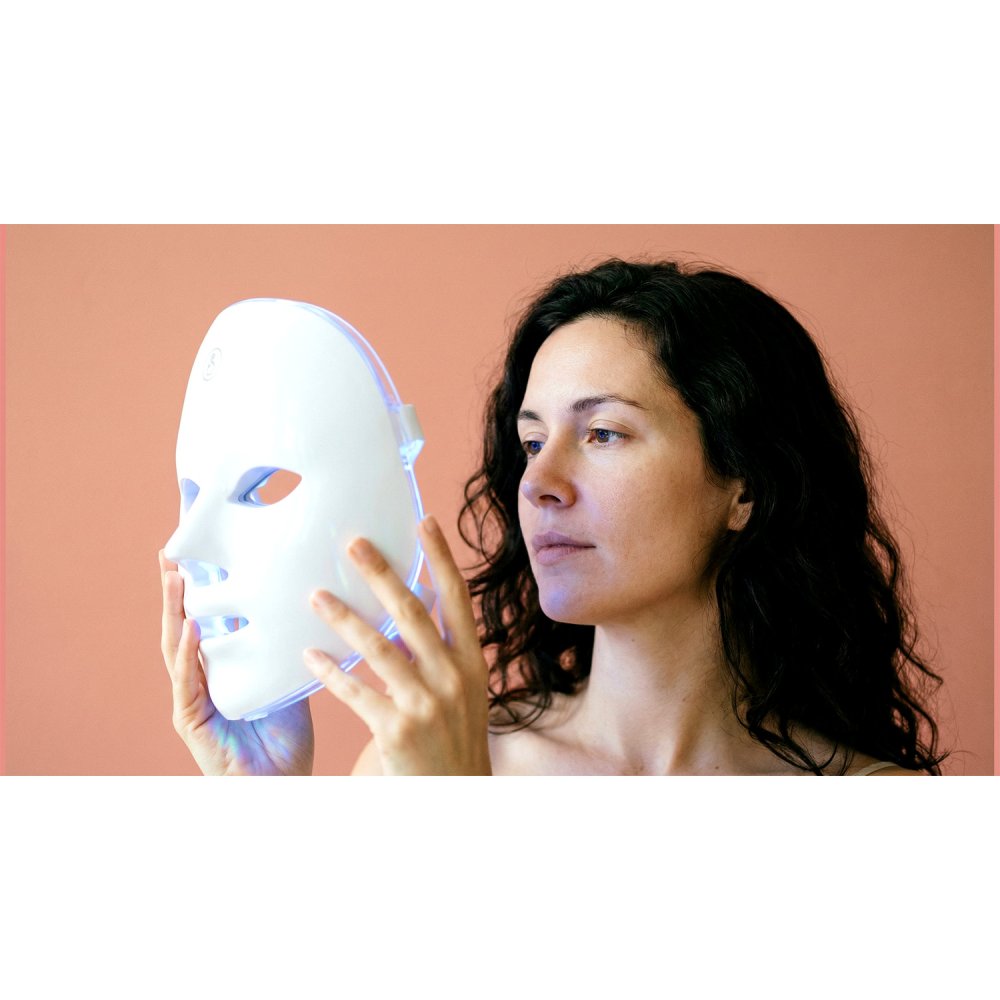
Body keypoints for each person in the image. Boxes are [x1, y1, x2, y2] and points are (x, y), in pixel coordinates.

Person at [159, 258, 945, 775]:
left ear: (745, 487)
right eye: (532, 442)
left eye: (603, 434)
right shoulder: (428, 762)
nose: (539, 482)